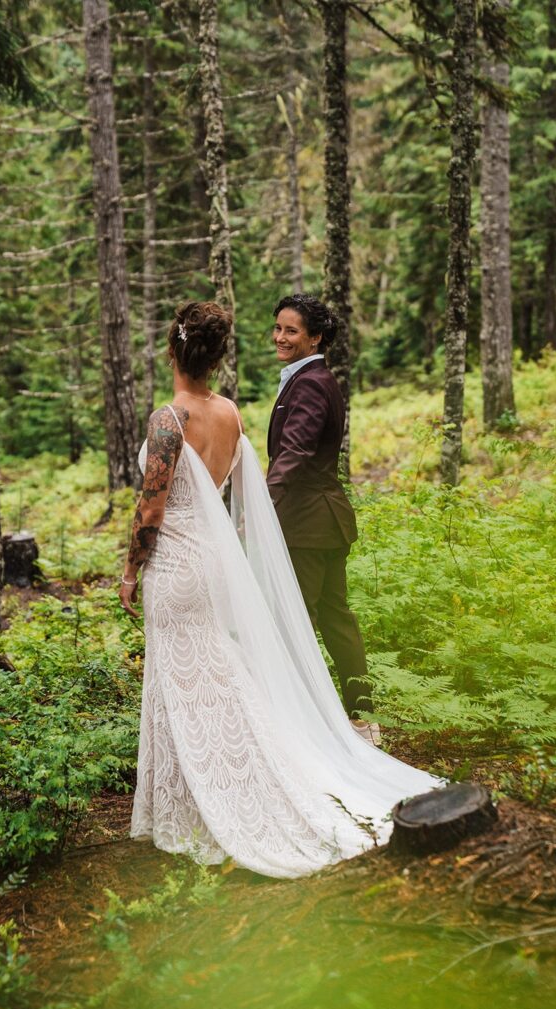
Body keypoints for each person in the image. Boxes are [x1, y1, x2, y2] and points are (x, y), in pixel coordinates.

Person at [119, 300, 435, 879]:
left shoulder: (170, 419)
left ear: (173, 352)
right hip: (213, 560)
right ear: (215, 357)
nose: (281, 335)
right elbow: (243, 499)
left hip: (176, 564)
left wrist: (129, 569)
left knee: (182, 679)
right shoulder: (230, 414)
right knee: (219, 674)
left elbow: (151, 507)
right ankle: (224, 779)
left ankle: (208, 798)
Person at [268, 294, 370, 731]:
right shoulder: (316, 377)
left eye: (292, 331)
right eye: (278, 328)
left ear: (315, 337)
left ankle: (305, 722)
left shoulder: (309, 383)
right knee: (335, 616)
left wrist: (263, 503)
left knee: (299, 621)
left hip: (307, 522)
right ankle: (363, 714)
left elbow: (295, 449)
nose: (281, 337)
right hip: (324, 518)